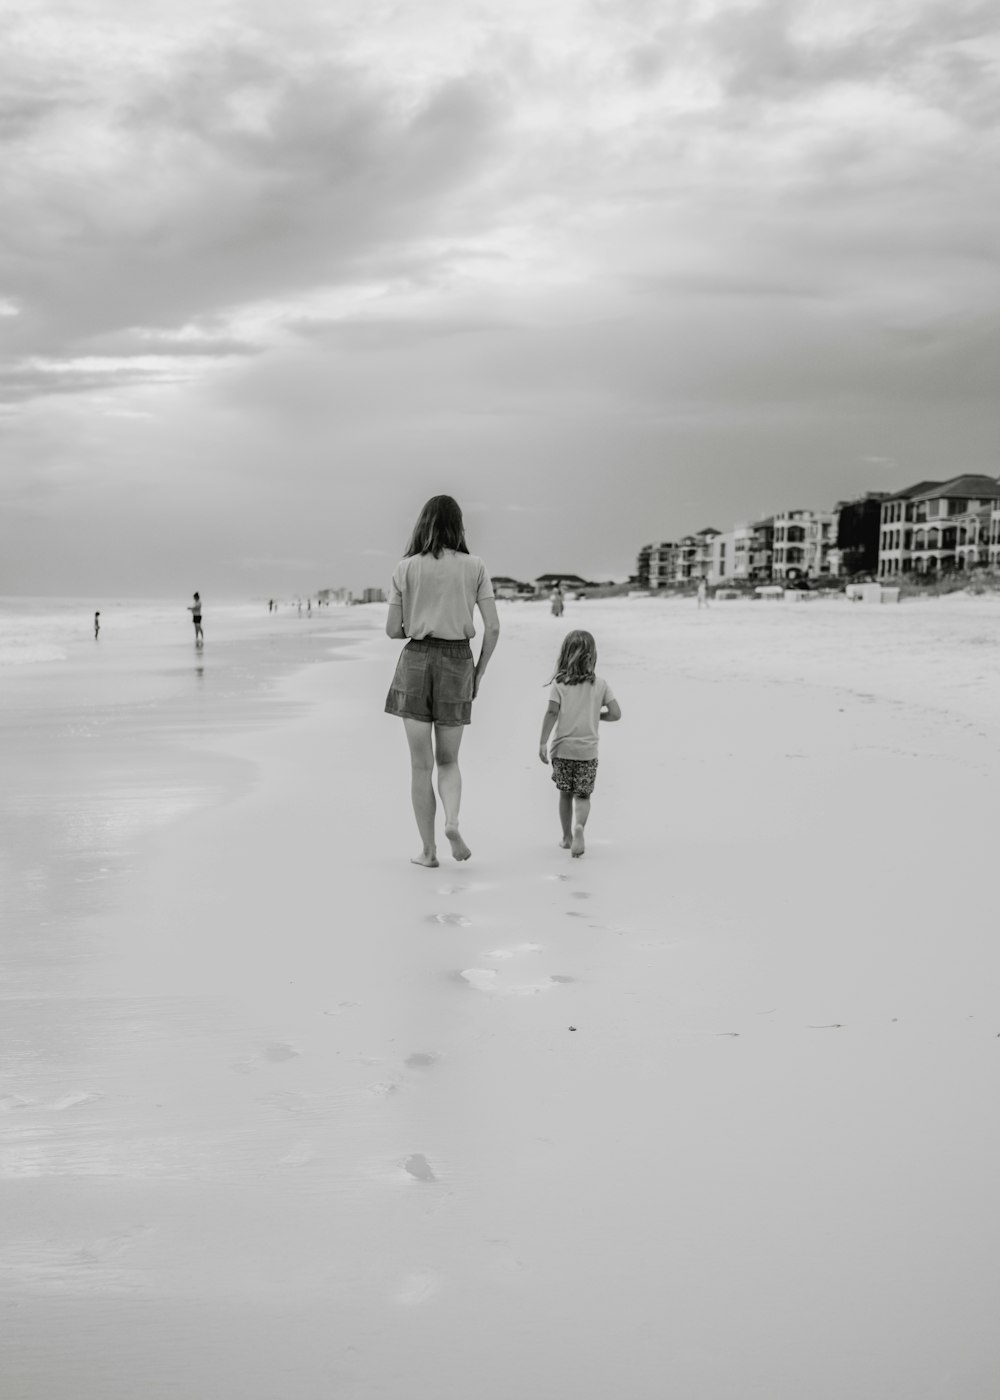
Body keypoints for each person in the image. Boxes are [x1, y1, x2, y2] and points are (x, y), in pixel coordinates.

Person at [385, 495, 500, 867]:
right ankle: (452, 821)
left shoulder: (405, 568)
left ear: (423, 524)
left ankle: (429, 851)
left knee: (421, 766)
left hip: (416, 660)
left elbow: (392, 631)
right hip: (457, 661)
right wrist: (478, 672)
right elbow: (493, 627)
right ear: (458, 526)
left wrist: (419, 617)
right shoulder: (476, 566)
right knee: (449, 761)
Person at [538, 629, 621, 858]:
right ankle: (580, 828)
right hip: (587, 752)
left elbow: (552, 712)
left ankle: (566, 837)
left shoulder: (559, 684)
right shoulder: (601, 685)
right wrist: (596, 715)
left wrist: (542, 742)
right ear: (592, 656)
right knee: (583, 796)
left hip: (563, 750)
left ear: (565, 655)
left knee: (565, 794)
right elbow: (615, 714)